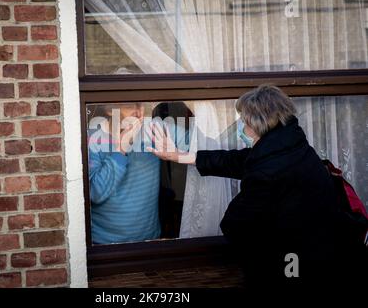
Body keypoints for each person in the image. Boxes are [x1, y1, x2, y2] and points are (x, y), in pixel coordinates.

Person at [148, 85, 367, 291]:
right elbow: (240, 161)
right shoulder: (293, 145)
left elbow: (236, 224)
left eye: (245, 123)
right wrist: (181, 156)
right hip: (328, 255)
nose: (241, 129)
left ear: (260, 125)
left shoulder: (265, 172)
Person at [88, 103, 188, 244]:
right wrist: (121, 148)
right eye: (129, 106)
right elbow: (95, 194)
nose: (138, 112)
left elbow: (200, 143)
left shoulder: (154, 129)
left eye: (141, 105)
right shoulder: (92, 139)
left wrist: (195, 104)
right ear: (110, 109)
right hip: (105, 244)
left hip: (150, 240)